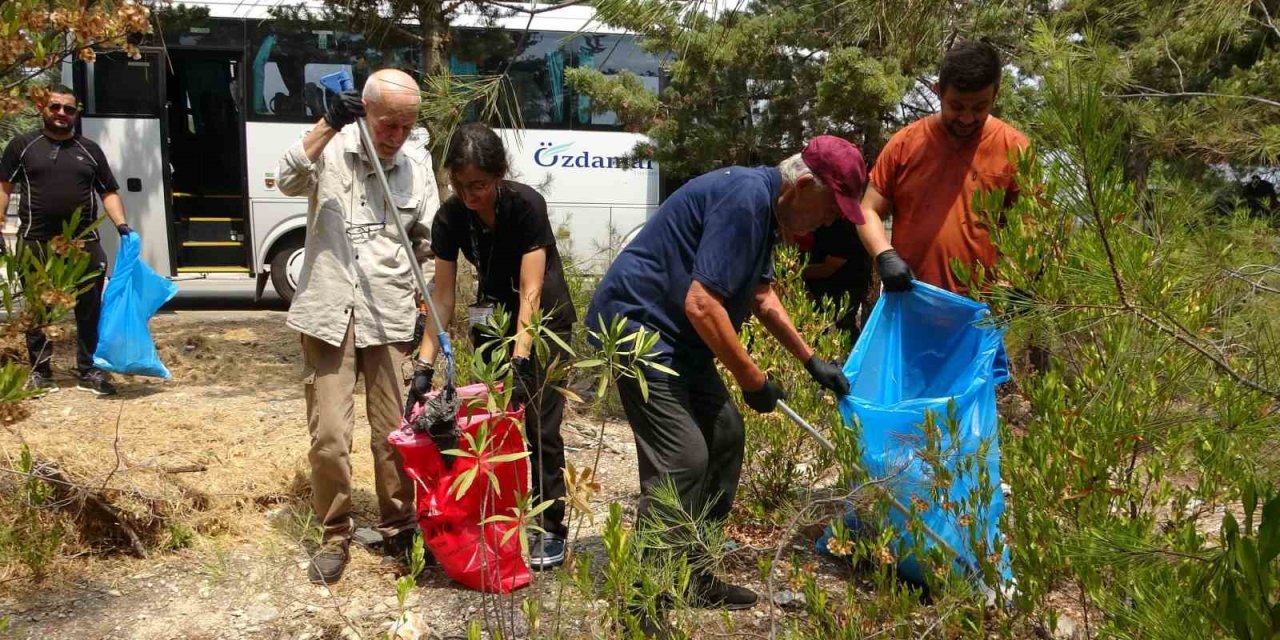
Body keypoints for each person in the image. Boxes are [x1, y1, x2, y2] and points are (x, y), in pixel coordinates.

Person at [585, 135, 860, 616]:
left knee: (726, 435)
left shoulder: (767, 211)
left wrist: (809, 359)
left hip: (679, 339)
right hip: (635, 328)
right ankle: (643, 602)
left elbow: (760, 294)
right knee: (683, 458)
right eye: (831, 205)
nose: (832, 218)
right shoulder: (746, 199)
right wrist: (753, 379)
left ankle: (693, 573)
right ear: (801, 185)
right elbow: (702, 303)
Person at [276, 69, 438, 585]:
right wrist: (327, 123)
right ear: (365, 110)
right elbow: (287, 178)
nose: (396, 136)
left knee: (394, 434)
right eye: (388, 123)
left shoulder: (417, 162)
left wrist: (425, 306)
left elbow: (428, 242)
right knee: (328, 435)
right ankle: (334, 533)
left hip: (388, 313)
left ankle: (399, 528)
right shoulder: (333, 143)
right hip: (328, 311)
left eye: (406, 126)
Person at [408, 122, 576, 570]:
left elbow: (531, 291)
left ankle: (549, 527)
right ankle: (491, 520)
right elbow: (442, 296)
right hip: (492, 321)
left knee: (540, 428)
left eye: (479, 185)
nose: (469, 195)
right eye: (459, 185)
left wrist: (521, 356)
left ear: (499, 174)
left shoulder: (525, 205)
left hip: (542, 325)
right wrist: (422, 364)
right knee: (488, 427)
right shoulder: (449, 217)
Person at [856, 39, 1032, 294]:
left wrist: (1015, 277)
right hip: (911, 301)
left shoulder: (1016, 149)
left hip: (980, 311)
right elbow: (867, 210)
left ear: (996, 94)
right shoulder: (905, 144)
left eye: (979, 107)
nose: (967, 118)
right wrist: (885, 255)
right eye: (957, 106)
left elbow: (1033, 226)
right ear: (939, 91)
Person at [0, 85, 134, 396]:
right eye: (55, 107)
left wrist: (123, 226)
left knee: (89, 309)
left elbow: (108, 191)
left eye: (68, 109)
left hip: (83, 243)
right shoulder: (23, 145)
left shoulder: (89, 149)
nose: (62, 113)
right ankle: (41, 372)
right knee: (38, 308)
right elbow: (4, 187)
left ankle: (89, 370)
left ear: (76, 113)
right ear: (42, 109)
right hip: (36, 242)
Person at [801, 217, 873, 338]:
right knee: (816, 328)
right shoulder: (828, 223)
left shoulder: (841, 228)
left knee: (844, 327)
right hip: (828, 285)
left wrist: (796, 272)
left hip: (843, 287)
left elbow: (828, 268)